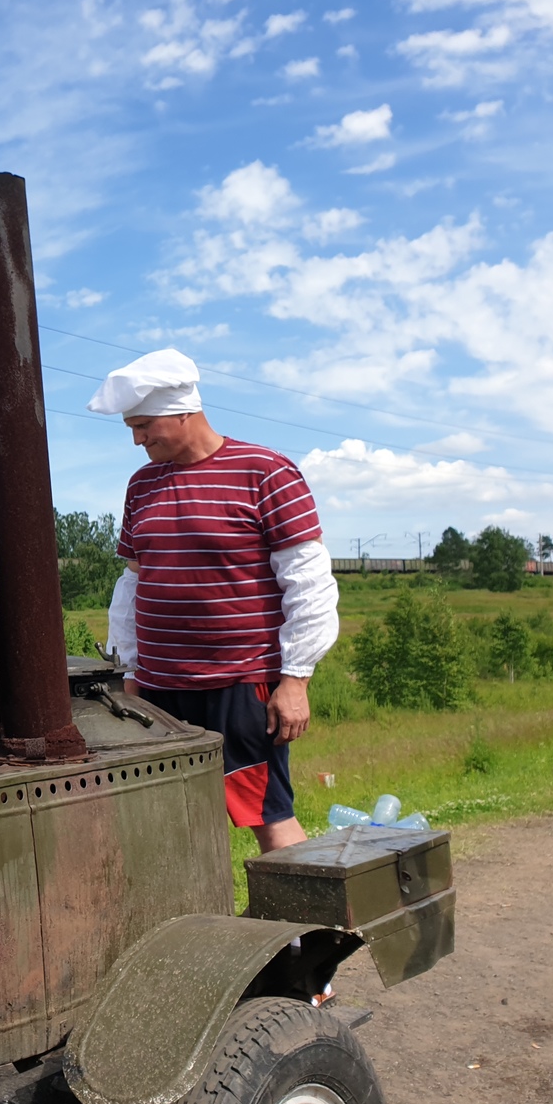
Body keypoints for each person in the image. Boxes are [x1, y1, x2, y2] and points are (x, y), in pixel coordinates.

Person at [88, 349, 339, 853]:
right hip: (159, 690)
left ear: (184, 410)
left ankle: (302, 930)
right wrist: (130, 674)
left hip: (239, 684)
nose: (138, 439)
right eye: (131, 429)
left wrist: (295, 680)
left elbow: (309, 584)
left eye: (144, 425)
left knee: (267, 814)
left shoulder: (265, 472)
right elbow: (132, 586)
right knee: (164, 819)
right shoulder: (141, 486)